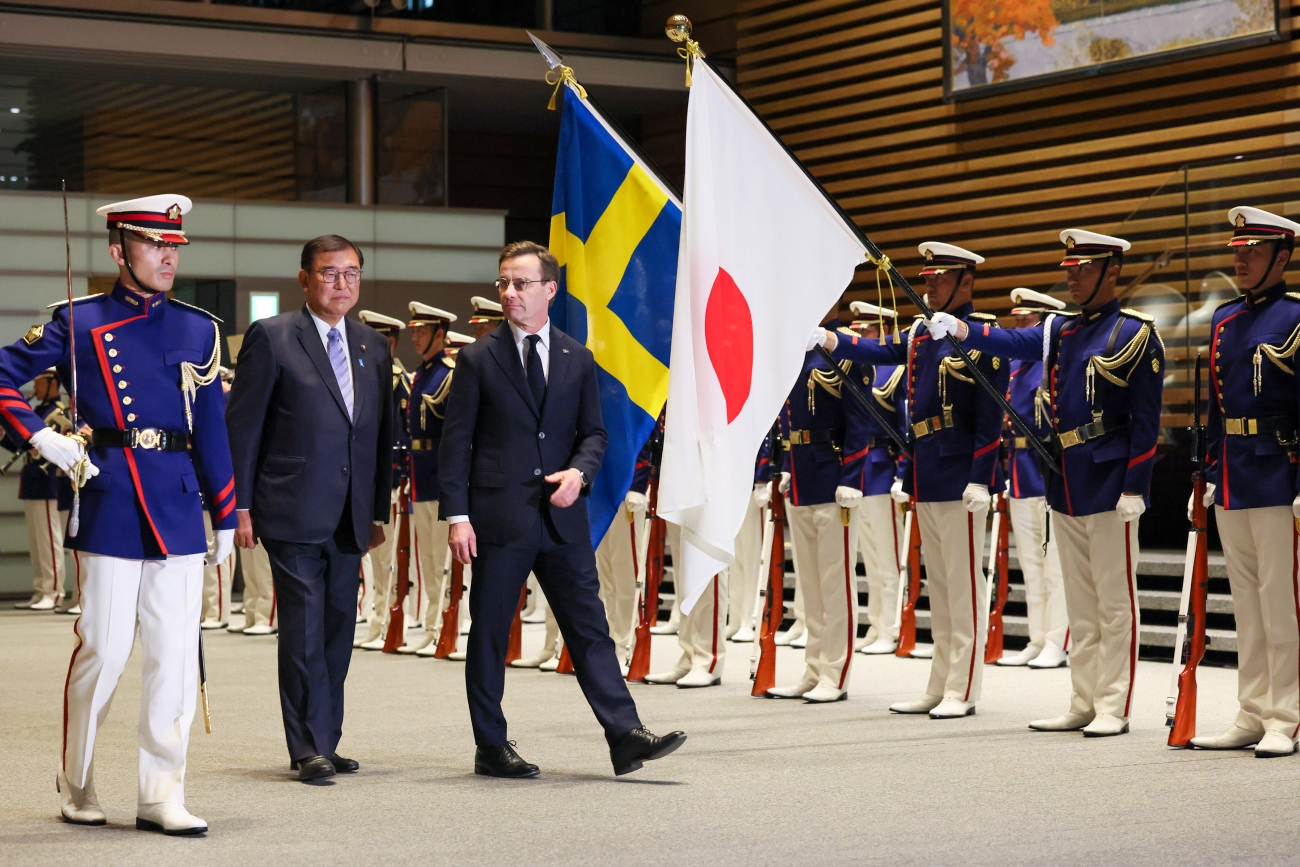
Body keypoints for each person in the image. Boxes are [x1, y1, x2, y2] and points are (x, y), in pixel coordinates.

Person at [0, 194, 236, 834]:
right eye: (154, 244)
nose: (167, 256)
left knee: (175, 654)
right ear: (118, 250)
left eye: (174, 246)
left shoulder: (199, 328)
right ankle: (75, 778)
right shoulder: (78, 320)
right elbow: (0, 373)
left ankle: (162, 793)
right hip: (109, 496)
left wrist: (227, 514)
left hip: (180, 502)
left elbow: (210, 428)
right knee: (103, 650)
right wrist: (38, 436)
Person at [441, 240, 684, 778]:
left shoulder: (577, 357)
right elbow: (456, 444)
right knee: (489, 632)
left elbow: (594, 434)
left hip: (561, 517)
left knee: (589, 628)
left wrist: (580, 472)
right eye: (503, 282)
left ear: (550, 289)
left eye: (521, 283)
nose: (509, 293)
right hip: (499, 518)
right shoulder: (478, 357)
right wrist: (457, 515)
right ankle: (490, 744)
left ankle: (625, 736)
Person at [927, 229, 1163, 737]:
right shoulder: (1062, 330)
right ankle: (1082, 699)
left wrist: (1135, 486)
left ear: (1111, 270)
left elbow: (1147, 420)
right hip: (1067, 478)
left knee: (1114, 602)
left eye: (1083, 267)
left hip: (1109, 478)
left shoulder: (1135, 333)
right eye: (1069, 268)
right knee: (1081, 601)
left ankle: (1113, 705)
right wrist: (967, 333)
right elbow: (1014, 341)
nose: (1072, 275)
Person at [226, 234, 393, 782]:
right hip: (290, 509)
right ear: (304, 279)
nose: (341, 283)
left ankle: (327, 736)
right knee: (302, 628)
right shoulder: (272, 338)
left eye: (351, 273)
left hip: (350, 514)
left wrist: (376, 513)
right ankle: (306, 747)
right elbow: (244, 430)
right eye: (329, 273)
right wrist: (240, 507)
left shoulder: (373, 344)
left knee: (338, 630)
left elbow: (379, 435)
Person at [822, 242, 1008, 719]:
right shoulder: (921, 336)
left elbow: (991, 418)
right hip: (927, 470)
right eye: (926, 278)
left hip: (961, 475)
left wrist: (981, 479)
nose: (928, 285)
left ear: (966, 282)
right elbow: (877, 349)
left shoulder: (984, 335)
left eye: (939, 277)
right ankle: (939, 683)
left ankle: (962, 689)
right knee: (940, 585)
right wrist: (828, 341)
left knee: (962, 586)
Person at [1190, 207, 1300, 758]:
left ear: (1282, 256)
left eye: (1252, 250)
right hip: (1233, 474)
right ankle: (1252, 710)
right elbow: (1216, 407)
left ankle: (1288, 715)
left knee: (1282, 603)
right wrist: (1210, 472)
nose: (1240, 258)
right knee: (1247, 606)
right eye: (1236, 249)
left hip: (1280, 474)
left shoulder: (1297, 318)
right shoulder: (1226, 320)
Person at [764, 307, 871, 703]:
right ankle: (813, 670)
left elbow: (861, 420)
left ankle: (834, 673)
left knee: (835, 582)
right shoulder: (797, 350)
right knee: (810, 584)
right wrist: (788, 466)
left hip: (834, 475)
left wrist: (852, 478)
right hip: (804, 475)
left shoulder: (844, 351)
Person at [996, 289, 1069, 669]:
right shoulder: (1014, 366)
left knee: (1054, 562)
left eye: (1026, 320)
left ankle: (1058, 639)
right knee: (1030, 561)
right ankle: (1037, 636)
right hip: (1019, 469)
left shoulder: (1052, 364)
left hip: (1047, 469)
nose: (1018, 325)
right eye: (1016, 319)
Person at [845, 301, 907, 655]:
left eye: (867, 329)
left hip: (883, 468)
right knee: (868, 555)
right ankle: (875, 621)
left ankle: (892, 625)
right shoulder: (856, 368)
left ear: (882, 329)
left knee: (887, 555)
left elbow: (904, 426)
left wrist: (901, 473)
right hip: (861, 471)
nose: (860, 335)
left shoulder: (892, 370)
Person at [397, 302, 457, 655]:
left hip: (440, 476)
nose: (415, 336)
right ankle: (433, 624)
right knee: (428, 559)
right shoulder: (421, 374)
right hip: (420, 474)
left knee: (440, 557)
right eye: (414, 330)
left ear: (440, 333)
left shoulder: (450, 373)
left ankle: (443, 624)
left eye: (421, 330)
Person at [354, 310, 411, 650]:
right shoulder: (366, 378)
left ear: (388, 341)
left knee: (389, 555)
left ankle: (389, 618)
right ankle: (376, 618)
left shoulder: (398, 382)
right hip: (367, 481)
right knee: (372, 555)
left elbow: (399, 436)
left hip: (391, 482)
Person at [6, 368, 71, 612]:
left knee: (48, 542)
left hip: (47, 483)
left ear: (53, 383)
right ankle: (41, 588)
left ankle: (53, 591)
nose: (35, 388)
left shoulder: (58, 412)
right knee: (36, 541)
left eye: (39, 382)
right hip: (34, 483)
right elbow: (24, 445)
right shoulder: (40, 411)